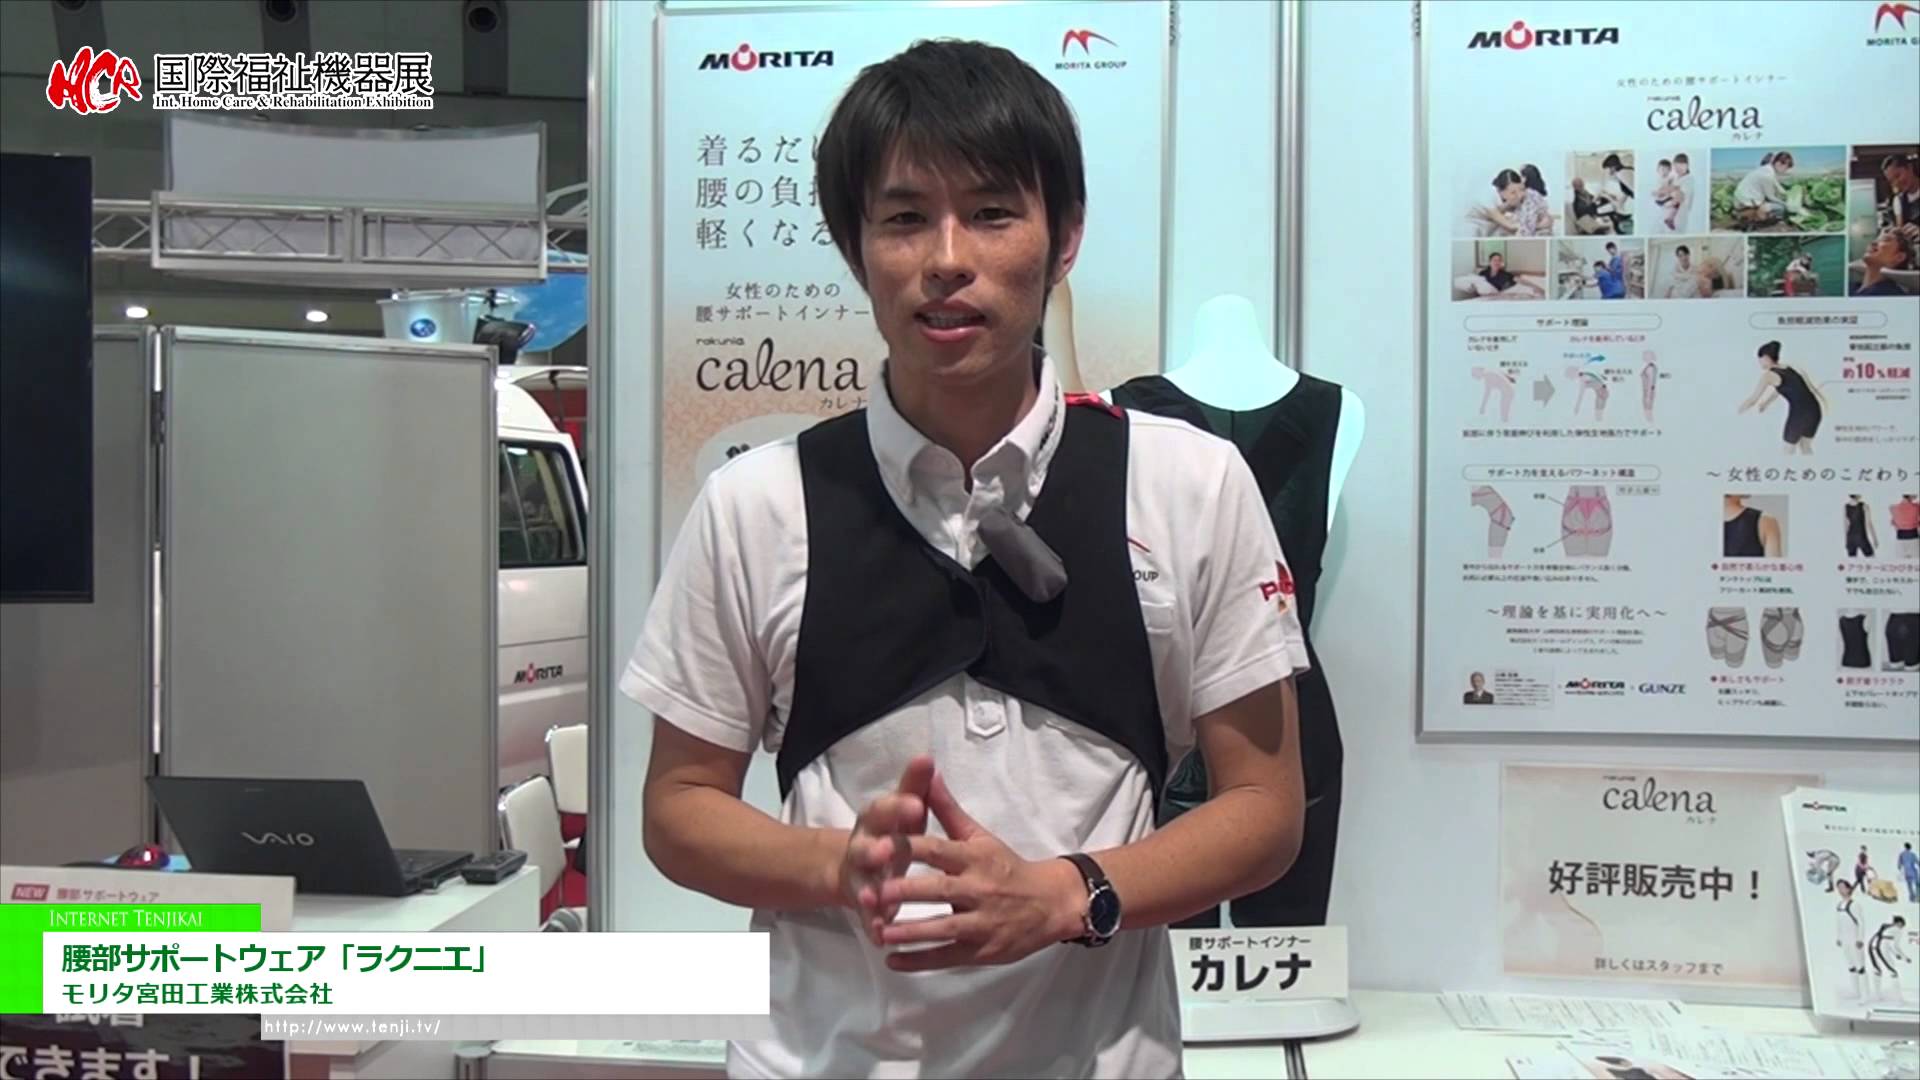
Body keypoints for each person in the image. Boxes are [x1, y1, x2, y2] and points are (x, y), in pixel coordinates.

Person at [625, 39, 1310, 1079]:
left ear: (1064, 237)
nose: (947, 258)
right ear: (856, 247)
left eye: (992, 213)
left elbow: (1264, 808)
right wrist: (839, 864)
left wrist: (1067, 893)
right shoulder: (756, 504)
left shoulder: (1189, 484)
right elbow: (679, 808)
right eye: (904, 219)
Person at [1738, 340, 1829, 455]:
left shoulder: (1768, 376)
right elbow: (1783, 388)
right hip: (1814, 410)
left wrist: (1738, 412)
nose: (1759, 362)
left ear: (1766, 358)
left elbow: (1752, 400)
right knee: (1805, 447)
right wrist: (1766, 403)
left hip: (1799, 414)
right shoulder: (1788, 368)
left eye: (1760, 359)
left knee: (1788, 450)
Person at [1734, 151, 1793, 228]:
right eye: (1786, 167)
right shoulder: (1767, 175)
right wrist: (1786, 205)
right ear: (1778, 164)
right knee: (1781, 208)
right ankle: (1756, 217)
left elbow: (1778, 187)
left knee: (1776, 204)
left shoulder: (1766, 169)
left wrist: (1787, 194)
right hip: (1746, 205)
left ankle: (1756, 214)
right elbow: (1771, 197)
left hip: (1740, 201)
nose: (1786, 170)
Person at [1852, 228, 1915, 297]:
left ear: (1899, 257)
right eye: (1876, 239)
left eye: (1885, 239)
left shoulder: (1891, 296)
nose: (1873, 243)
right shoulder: (1851, 288)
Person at [1878, 152, 1920, 242]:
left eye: (1898, 175)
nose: (1896, 183)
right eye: (1891, 181)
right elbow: (1900, 230)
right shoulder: (1898, 200)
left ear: (1910, 168)